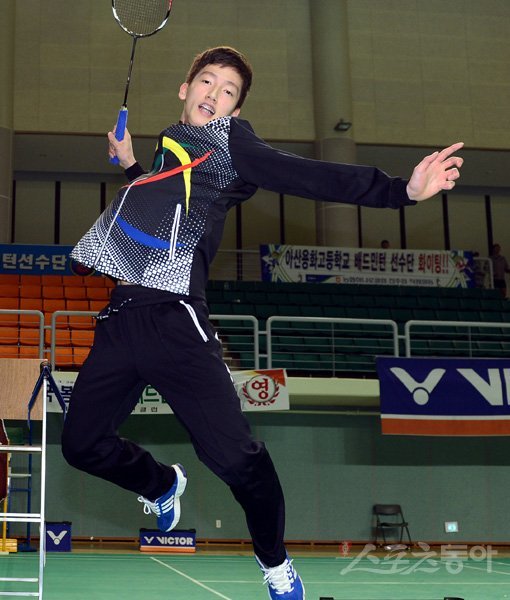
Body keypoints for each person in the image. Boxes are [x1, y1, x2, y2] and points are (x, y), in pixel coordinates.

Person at [61, 46, 463, 600]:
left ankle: (274, 562)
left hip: (175, 319)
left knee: (235, 459)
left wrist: (401, 191)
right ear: (184, 88)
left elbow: (304, 175)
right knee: (81, 444)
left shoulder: (230, 142)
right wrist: (134, 165)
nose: (214, 94)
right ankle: (160, 483)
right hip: (121, 319)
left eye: (228, 91)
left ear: (234, 109)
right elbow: (163, 205)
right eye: (206, 81)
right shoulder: (168, 147)